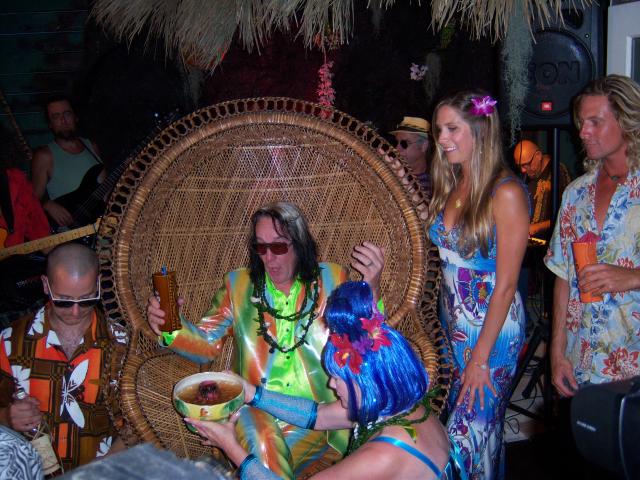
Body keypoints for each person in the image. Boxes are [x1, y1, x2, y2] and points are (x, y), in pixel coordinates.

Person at [147, 202, 384, 479]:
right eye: (261, 247)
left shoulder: (332, 279)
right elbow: (207, 345)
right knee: (261, 440)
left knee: (264, 458)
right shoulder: (238, 285)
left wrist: (372, 289)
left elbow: (366, 344)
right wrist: (169, 327)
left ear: (300, 244)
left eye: (279, 246)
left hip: (315, 419)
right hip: (253, 407)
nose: (269, 258)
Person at [187, 281, 464, 480]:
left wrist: (231, 447)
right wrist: (251, 393)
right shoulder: (394, 406)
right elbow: (318, 416)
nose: (331, 386)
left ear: (365, 385)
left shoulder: (383, 454)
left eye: (337, 379)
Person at [426, 92, 529, 479]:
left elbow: (506, 285)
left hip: (492, 334)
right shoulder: (453, 185)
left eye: (452, 128)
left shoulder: (506, 193)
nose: (442, 138)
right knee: (482, 439)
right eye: (439, 130)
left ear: (481, 130)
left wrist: (480, 358)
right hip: (455, 330)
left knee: (462, 444)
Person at [545, 74, 640, 395]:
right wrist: (557, 353)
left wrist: (633, 277)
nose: (583, 132)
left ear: (627, 122)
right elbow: (562, 274)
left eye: (595, 122)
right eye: (582, 122)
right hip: (581, 361)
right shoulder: (575, 193)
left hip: (634, 363)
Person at [0, 243, 127, 471]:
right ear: (45, 285)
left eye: (87, 299)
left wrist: (107, 463)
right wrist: (7, 418)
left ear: (99, 284)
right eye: (64, 301)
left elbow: (141, 422)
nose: (75, 312)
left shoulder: (122, 344)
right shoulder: (9, 342)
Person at [31, 95, 103, 228]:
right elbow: (32, 199)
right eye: (56, 116)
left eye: (67, 114)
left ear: (75, 117)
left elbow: (106, 188)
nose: (63, 121)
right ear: (50, 124)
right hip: (72, 233)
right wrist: (48, 205)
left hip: (102, 225)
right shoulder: (44, 156)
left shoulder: (92, 146)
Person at [513, 139, 571, 239]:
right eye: (520, 166)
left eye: (526, 164)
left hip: (549, 241)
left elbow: (567, 215)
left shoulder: (557, 172)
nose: (523, 170)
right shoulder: (526, 176)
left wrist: (538, 227)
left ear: (538, 156)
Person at [391, 116, 433, 197]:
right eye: (396, 142)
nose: (396, 149)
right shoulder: (395, 173)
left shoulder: (429, 187)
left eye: (404, 143)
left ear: (424, 146)